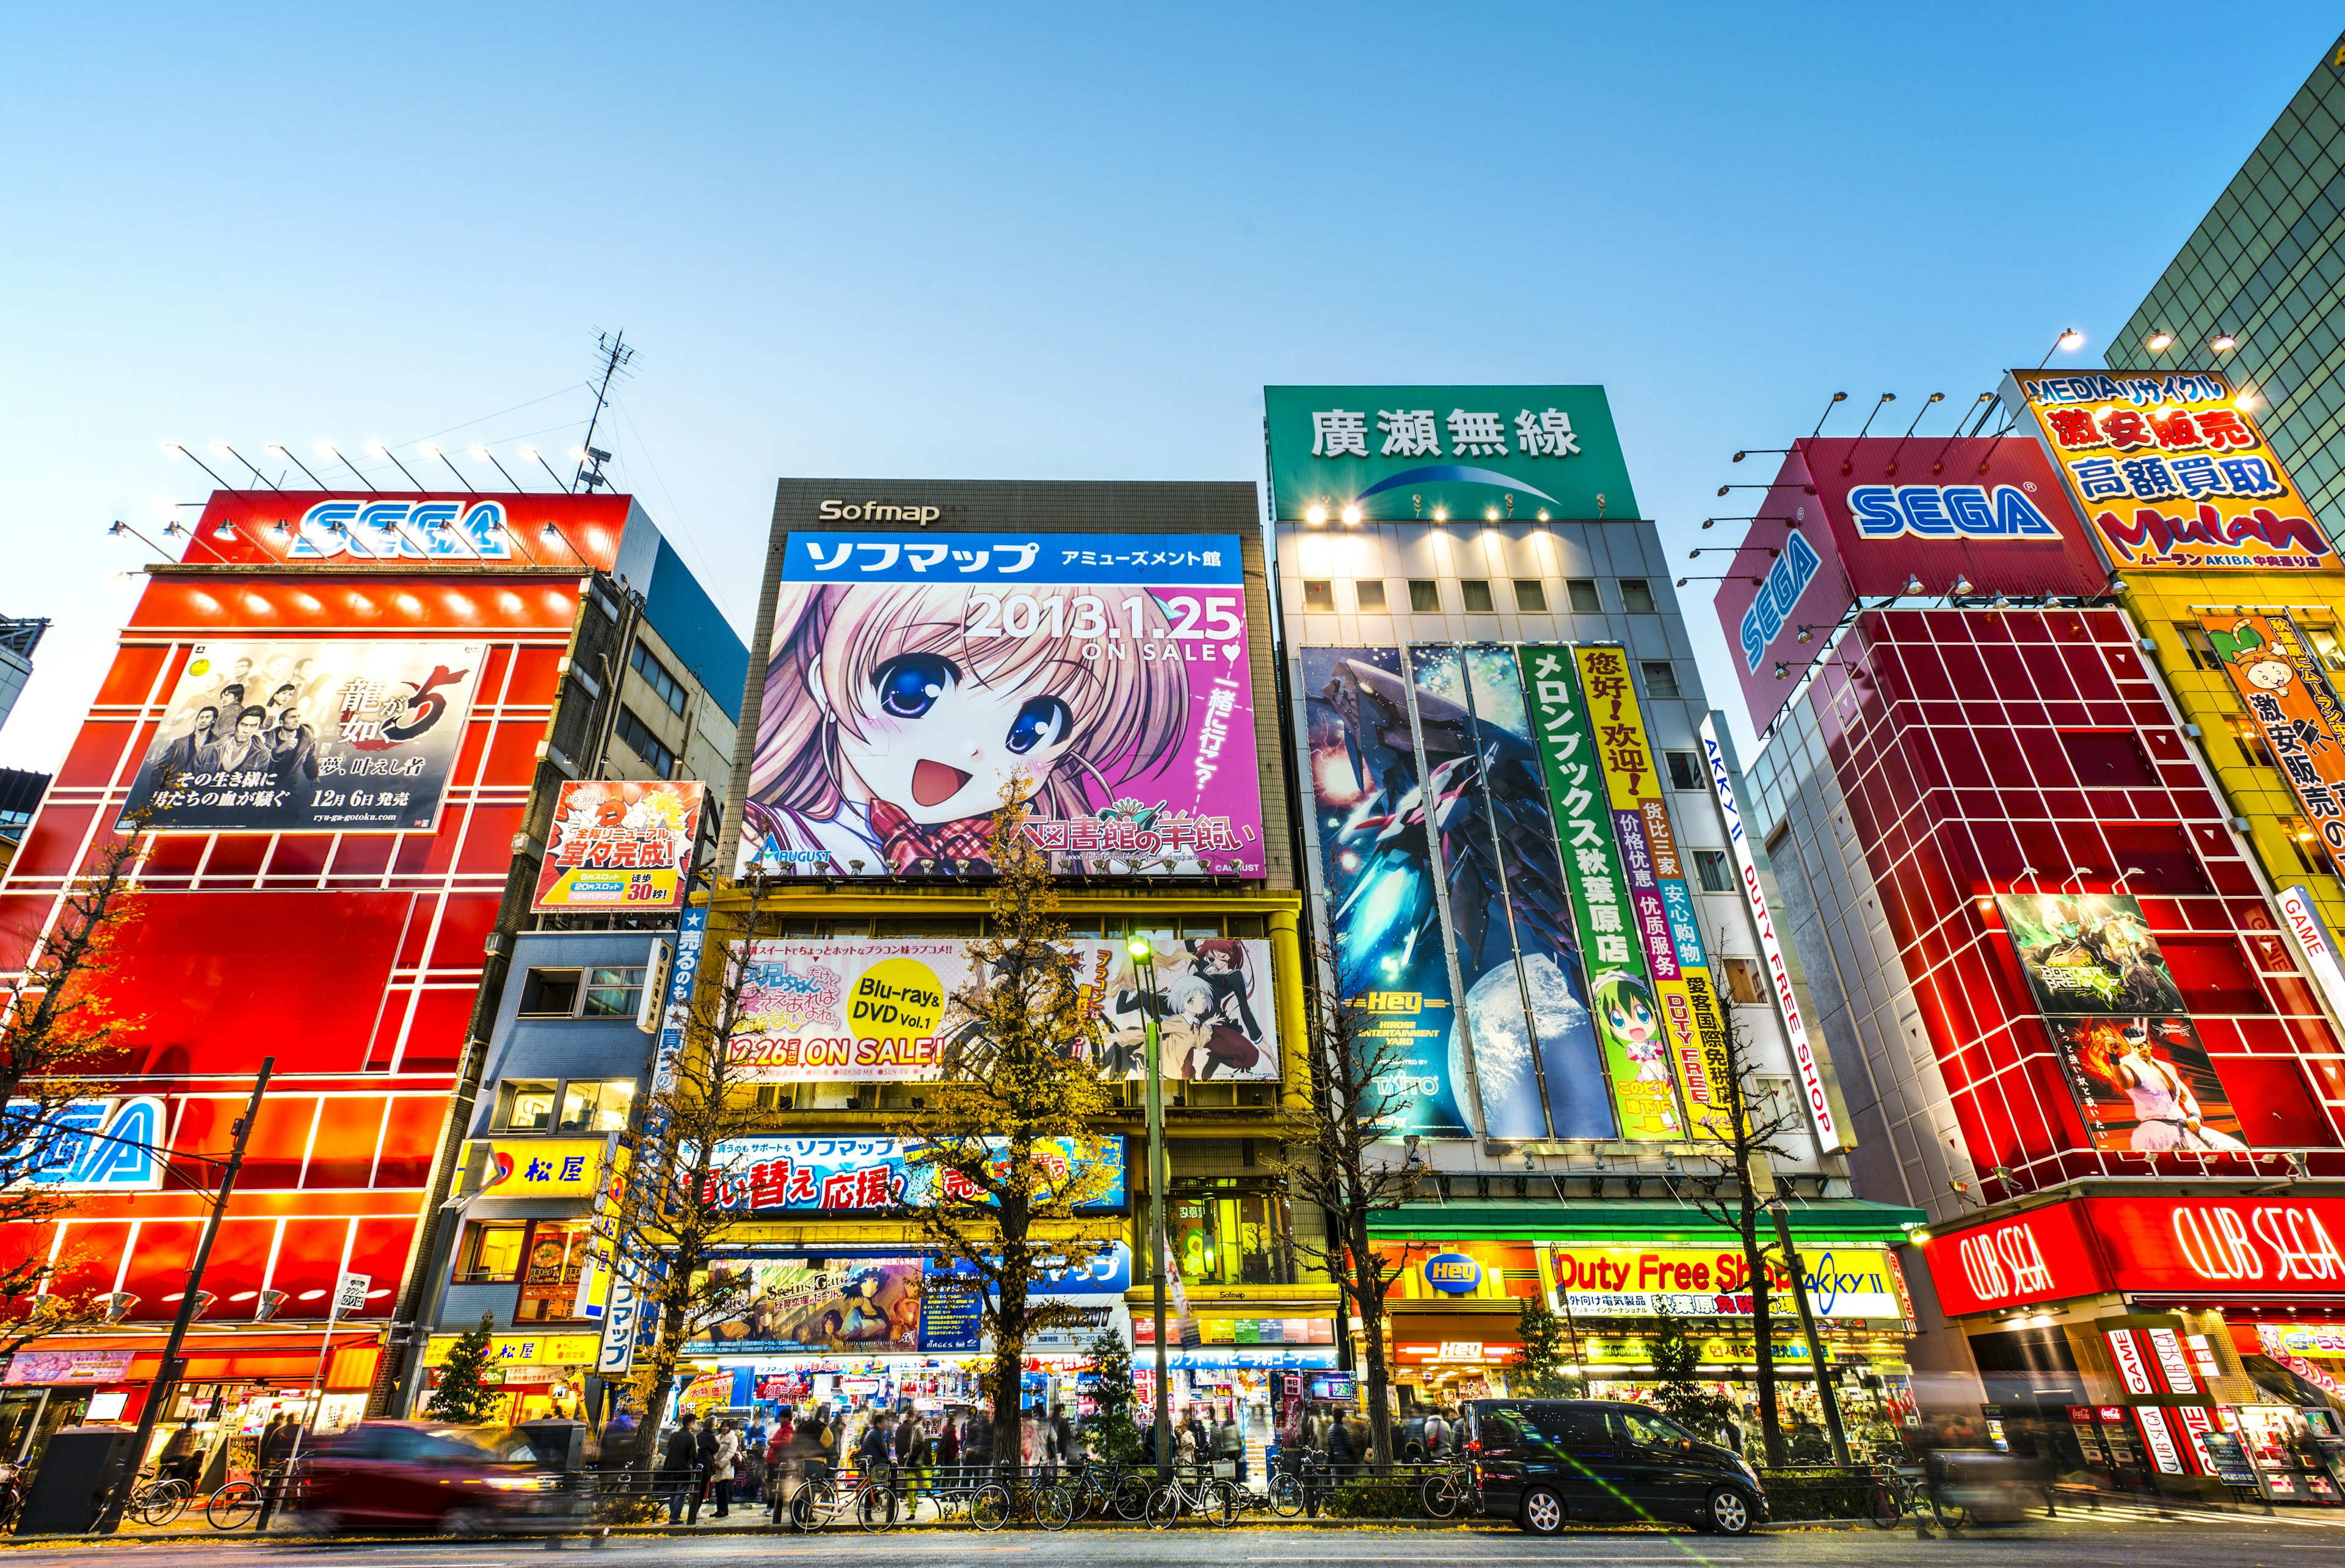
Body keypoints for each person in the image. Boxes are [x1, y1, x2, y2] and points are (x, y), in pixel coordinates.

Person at [736, 579, 1195, 877]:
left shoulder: (1045, 863)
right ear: (823, 681)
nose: (972, 747)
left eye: (1032, 729)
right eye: (915, 690)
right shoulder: (768, 842)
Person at [663, 1413, 700, 1524]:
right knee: (681, 1494)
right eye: (694, 1422)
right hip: (683, 1468)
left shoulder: (674, 1435)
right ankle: (674, 1518)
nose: (695, 1424)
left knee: (673, 1494)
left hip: (670, 1468)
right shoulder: (691, 1437)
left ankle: (673, 1516)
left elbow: (669, 1449)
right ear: (690, 1423)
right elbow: (693, 1455)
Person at [705, 1422, 740, 1519]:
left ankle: (724, 1510)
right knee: (718, 1488)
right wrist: (715, 1461)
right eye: (723, 1426)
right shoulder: (718, 1437)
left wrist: (721, 1463)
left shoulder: (733, 1437)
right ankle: (719, 1509)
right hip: (717, 1466)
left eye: (727, 1426)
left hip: (726, 1466)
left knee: (723, 1488)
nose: (725, 1428)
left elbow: (731, 1452)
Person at [158, 1419, 204, 1486]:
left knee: (162, 1479)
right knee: (177, 1480)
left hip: (173, 1458)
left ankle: (159, 1493)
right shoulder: (195, 1434)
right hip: (185, 1460)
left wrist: (164, 1457)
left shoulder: (179, 1433)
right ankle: (173, 1493)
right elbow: (193, 1448)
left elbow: (170, 1446)